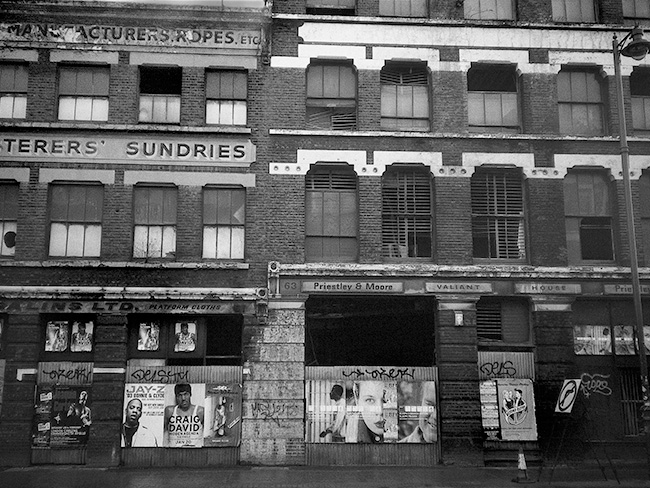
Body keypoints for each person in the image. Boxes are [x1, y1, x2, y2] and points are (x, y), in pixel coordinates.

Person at [164, 383, 204, 447]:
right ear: (176, 397)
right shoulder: (170, 411)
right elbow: (163, 431)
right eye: (179, 395)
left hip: (195, 449)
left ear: (190, 394)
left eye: (186, 394)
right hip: (174, 449)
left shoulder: (200, 411)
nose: (183, 398)